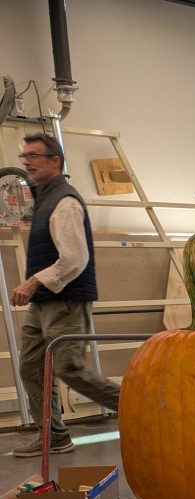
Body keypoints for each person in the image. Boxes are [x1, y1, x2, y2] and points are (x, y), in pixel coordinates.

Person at [10, 132, 120, 457]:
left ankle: (139, 408)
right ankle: (55, 435)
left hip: (66, 300)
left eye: (34, 156)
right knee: (31, 367)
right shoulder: (44, 197)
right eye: (24, 157)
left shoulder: (65, 201)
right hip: (44, 302)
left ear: (54, 161)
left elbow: (75, 258)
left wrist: (32, 283)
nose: (27, 162)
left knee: (69, 369)